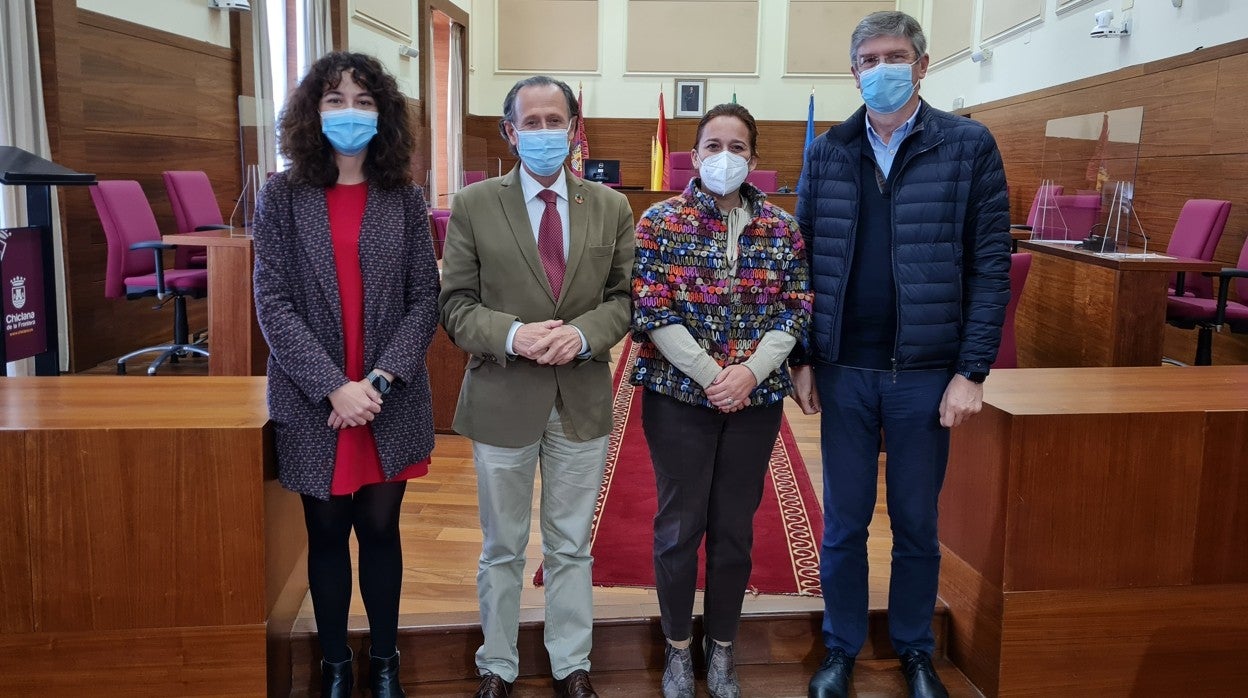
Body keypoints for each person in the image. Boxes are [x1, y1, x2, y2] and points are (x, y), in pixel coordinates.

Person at [792, 11, 1010, 698]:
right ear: (853, 70)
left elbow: (990, 268)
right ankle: (841, 648)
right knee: (845, 523)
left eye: (895, 56)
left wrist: (971, 371)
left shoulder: (969, 146)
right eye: (868, 58)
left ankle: (917, 650)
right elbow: (801, 262)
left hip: (925, 374)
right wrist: (802, 357)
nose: (881, 68)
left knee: (918, 523)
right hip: (844, 370)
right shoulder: (828, 151)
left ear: (921, 64)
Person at [438, 75, 635, 698]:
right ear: (509, 131)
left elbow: (625, 300)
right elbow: (456, 306)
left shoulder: (611, 206)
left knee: (572, 544)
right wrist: (515, 334)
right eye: (533, 121)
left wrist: (581, 336)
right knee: (502, 546)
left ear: (576, 131)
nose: (545, 132)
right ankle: (496, 664)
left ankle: (570, 662)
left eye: (557, 120)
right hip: (503, 395)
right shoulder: (473, 205)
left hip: (580, 395)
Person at [252, 51, 440, 698]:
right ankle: (335, 665)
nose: (350, 112)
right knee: (325, 532)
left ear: (383, 114)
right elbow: (271, 300)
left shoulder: (405, 198)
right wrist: (334, 386)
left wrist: (379, 382)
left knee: (381, 531)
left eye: (364, 101)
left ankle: (383, 662)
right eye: (335, 100)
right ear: (313, 112)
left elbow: (425, 299)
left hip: (389, 397)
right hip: (315, 400)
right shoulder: (282, 195)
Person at [631, 103, 811, 698]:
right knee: (679, 527)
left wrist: (750, 374)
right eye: (713, 145)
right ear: (695, 153)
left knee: (734, 528)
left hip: (755, 401)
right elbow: (652, 309)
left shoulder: (781, 229)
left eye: (737, 147)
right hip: (678, 396)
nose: (724, 156)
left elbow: (795, 308)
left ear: (753, 159)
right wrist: (715, 375)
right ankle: (679, 648)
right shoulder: (660, 222)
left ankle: (723, 647)